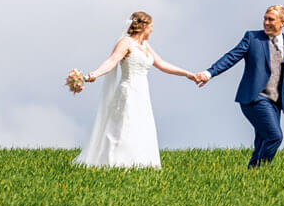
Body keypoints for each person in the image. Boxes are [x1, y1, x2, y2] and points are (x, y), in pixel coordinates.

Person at [71, 11, 198, 169]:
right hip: (129, 90)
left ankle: (140, 163)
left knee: (141, 127)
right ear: (144, 26)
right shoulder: (126, 43)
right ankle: (116, 162)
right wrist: (94, 74)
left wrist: (188, 74)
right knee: (125, 126)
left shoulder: (145, 46)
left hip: (143, 93)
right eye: (151, 26)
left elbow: (162, 64)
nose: (152, 30)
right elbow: (112, 61)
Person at [196, 4, 284, 168]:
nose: (266, 22)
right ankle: (260, 170)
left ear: (282, 23)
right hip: (254, 98)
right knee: (275, 136)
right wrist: (209, 73)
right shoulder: (252, 38)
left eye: (270, 19)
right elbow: (231, 57)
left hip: (276, 102)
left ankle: (252, 175)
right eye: (265, 18)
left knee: (263, 139)